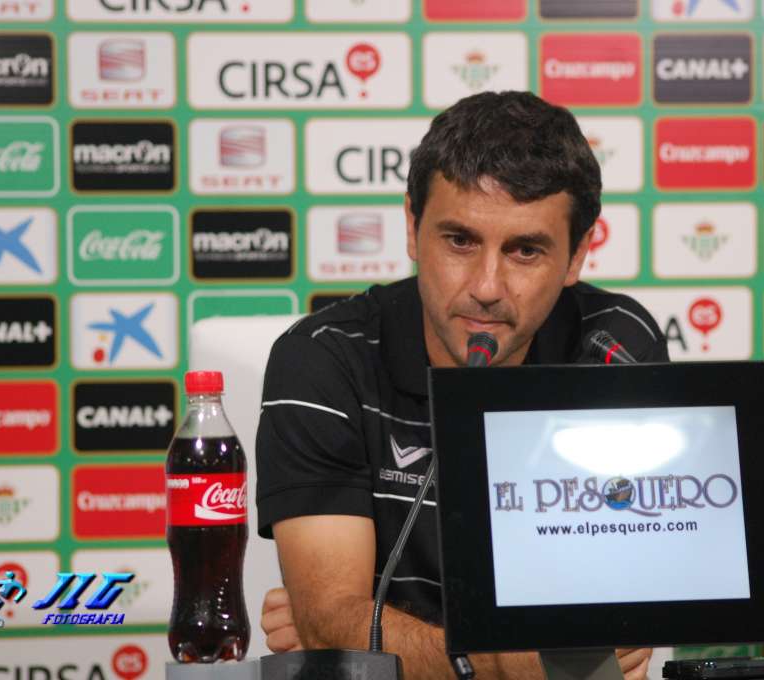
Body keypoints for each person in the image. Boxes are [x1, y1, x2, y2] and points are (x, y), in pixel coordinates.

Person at [255, 91, 670, 680]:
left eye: (525, 250)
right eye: (460, 241)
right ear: (412, 227)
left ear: (577, 254)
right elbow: (334, 625)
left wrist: (374, 636)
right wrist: (522, 661)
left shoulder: (613, 346)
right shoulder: (323, 359)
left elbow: (615, 615)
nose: (486, 287)